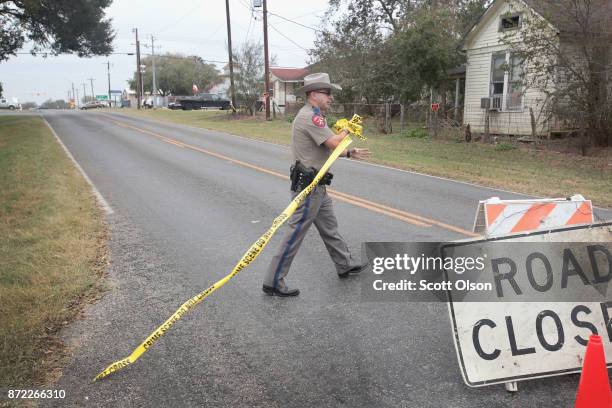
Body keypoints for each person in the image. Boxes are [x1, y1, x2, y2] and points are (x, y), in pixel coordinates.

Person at [262, 73, 371, 297]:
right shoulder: (311, 117)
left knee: (330, 227)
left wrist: (349, 152)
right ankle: (273, 281)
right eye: (327, 93)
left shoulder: (315, 116)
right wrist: (349, 128)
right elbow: (332, 141)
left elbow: (326, 148)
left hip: (317, 186)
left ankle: (345, 264)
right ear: (313, 94)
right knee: (295, 235)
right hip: (308, 189)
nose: (330, 97)